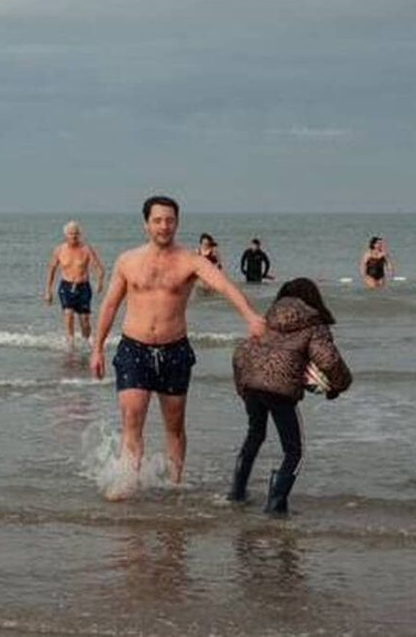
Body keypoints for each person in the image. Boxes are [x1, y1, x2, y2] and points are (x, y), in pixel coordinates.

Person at [90, 196, 266, 499]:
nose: (164, 226)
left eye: (170, 220)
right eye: (157, 220)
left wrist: (250, 316)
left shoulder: (191, 261)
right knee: (132, 419)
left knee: (174, 424)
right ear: (146, 224)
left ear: (177, 223)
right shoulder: (127, 260)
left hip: (174, 351)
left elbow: (224, 286)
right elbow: (109, 306)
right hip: (134, 349)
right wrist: (97, 348)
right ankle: (128, 483)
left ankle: (174, 484)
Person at [230, 278, 352, 515]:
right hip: (280, 390)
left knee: (255, 435)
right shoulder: (314, 324)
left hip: (251, 383)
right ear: (313, 299)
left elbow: (242, 352)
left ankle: (236, 493)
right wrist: (340, 385)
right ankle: (275, 505)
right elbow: (328, 360)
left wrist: (244, 389)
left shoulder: (267, 318)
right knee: (294, 451)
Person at [44, 220, 105, 347]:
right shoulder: (59, 250)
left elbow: (98, 267)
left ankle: (88, 343)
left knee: (85, 320)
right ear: (66, 235)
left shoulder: (86, 249)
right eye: (71, 233)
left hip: (83, 287)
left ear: (80, 234)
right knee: (69, 313)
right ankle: (70, 343)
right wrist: (48, 291)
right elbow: (51, 269)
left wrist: (99, 281)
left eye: (76, 233)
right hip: (66, 286)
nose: (74, 236)